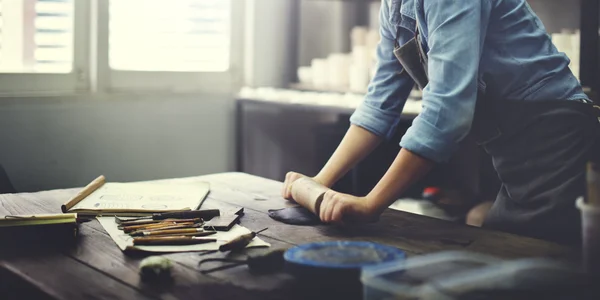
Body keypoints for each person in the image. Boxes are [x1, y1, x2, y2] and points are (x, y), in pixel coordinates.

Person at [282, 0, 600, 245]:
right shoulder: (394, 6)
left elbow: (447, 109)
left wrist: (371, 203)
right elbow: (380, 102)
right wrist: (321, 180)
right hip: (516, 157)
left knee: (528, 266)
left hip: (557, 144)